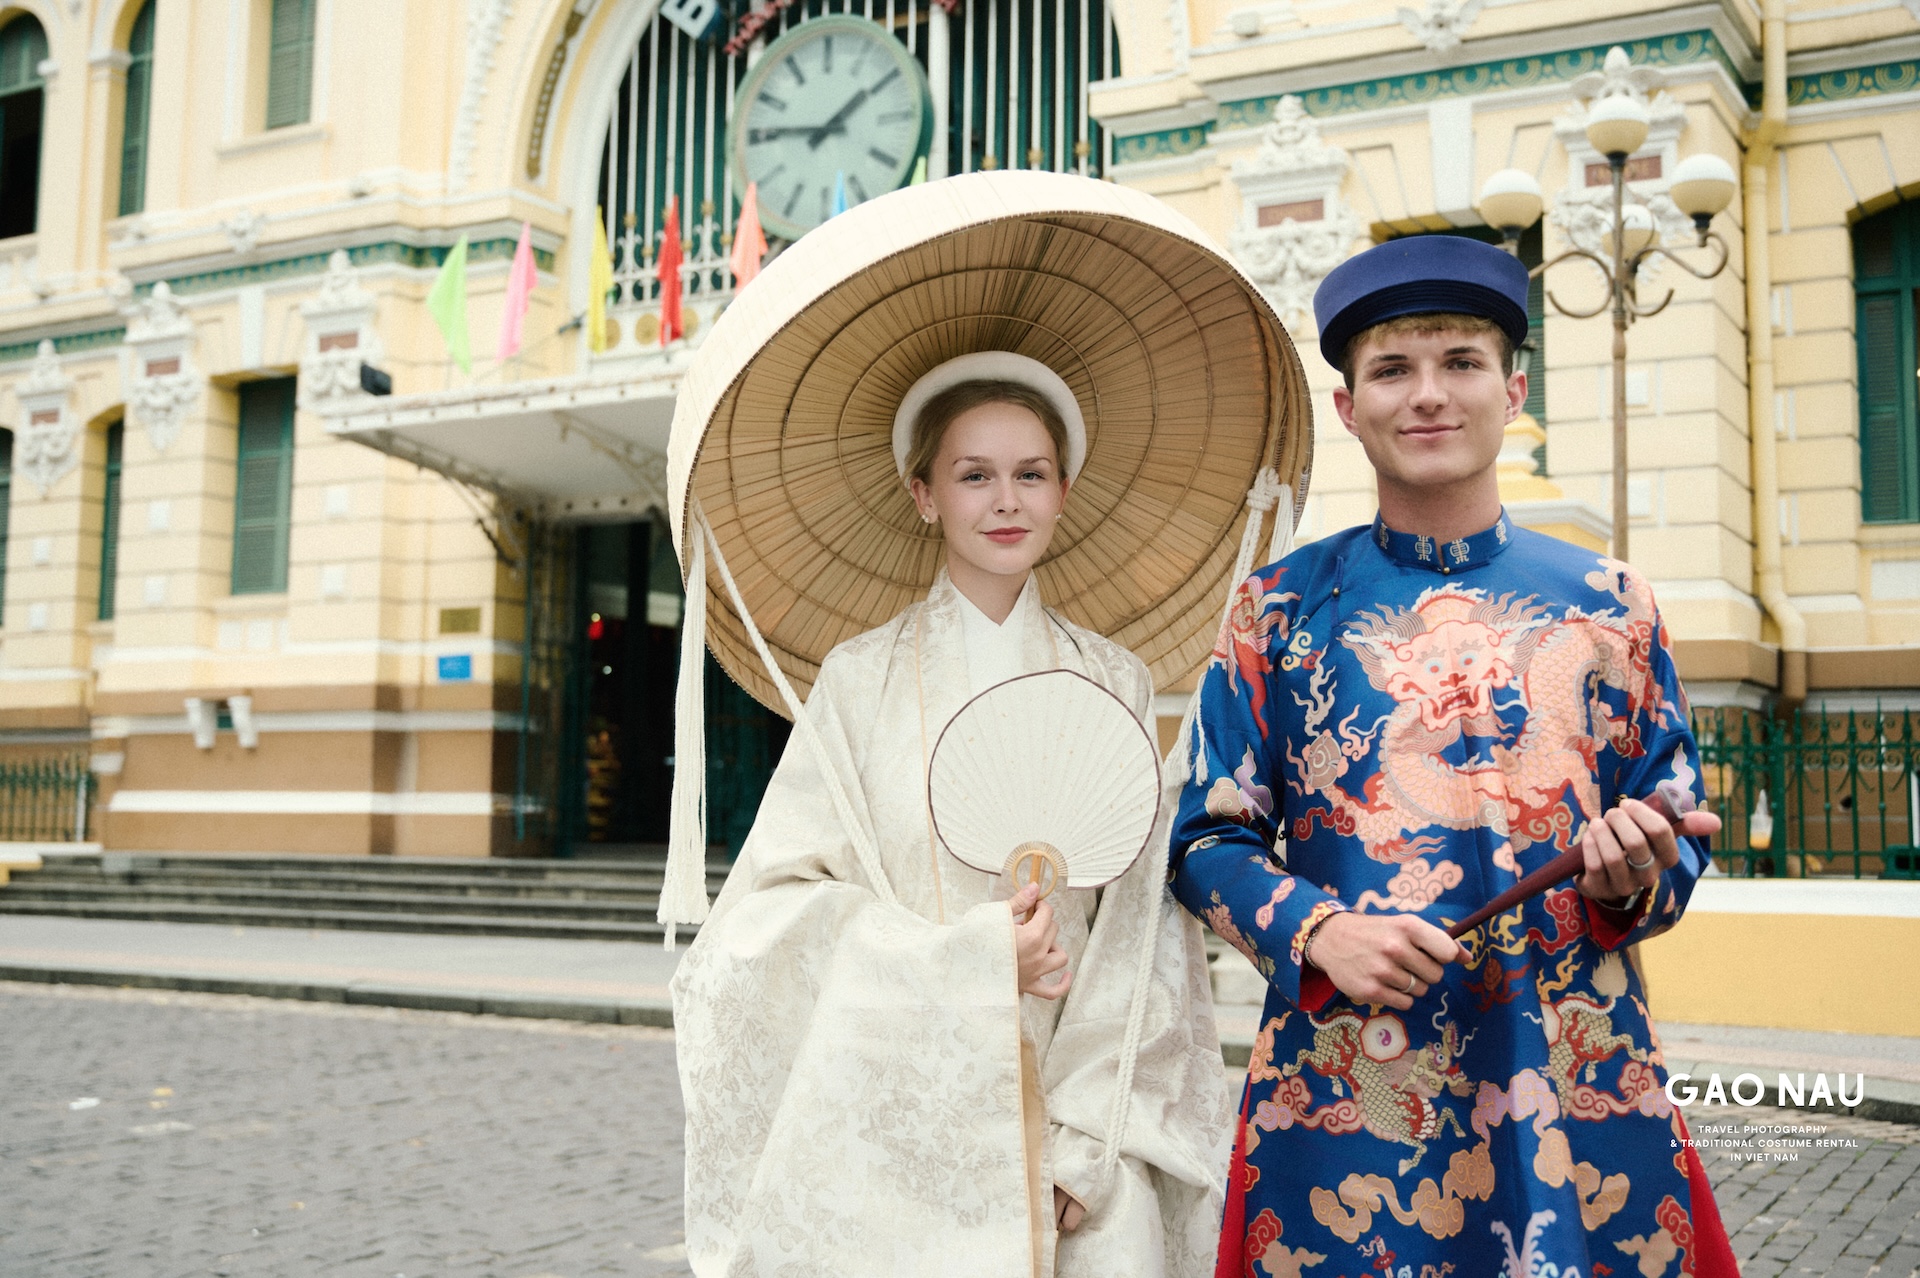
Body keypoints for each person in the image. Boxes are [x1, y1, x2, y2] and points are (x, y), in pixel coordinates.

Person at [1169, 234, 1741, 1276]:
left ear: (1513, 390)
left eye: (1461, 364)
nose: (1428, 396)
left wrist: (1635, 877)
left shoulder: (1613, 605)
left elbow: (1678, 831)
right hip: (1349, 1082)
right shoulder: (1277, 611)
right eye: (1391, 369)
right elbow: (1206, 837)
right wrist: (1318, 927)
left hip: (1571, 1066)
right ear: (1349, 408)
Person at [670, 352, 1235, 1275]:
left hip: (1076, 1125)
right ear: (925, 495)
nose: (1004, 500)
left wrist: (1085, 1144)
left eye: (1031, 474)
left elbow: (1140, 940)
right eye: (974, 475)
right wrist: (968, 962)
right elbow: (770, 913)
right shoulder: (858, 681)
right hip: (905, 1125)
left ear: (1063, 492)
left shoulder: (1114, 680)